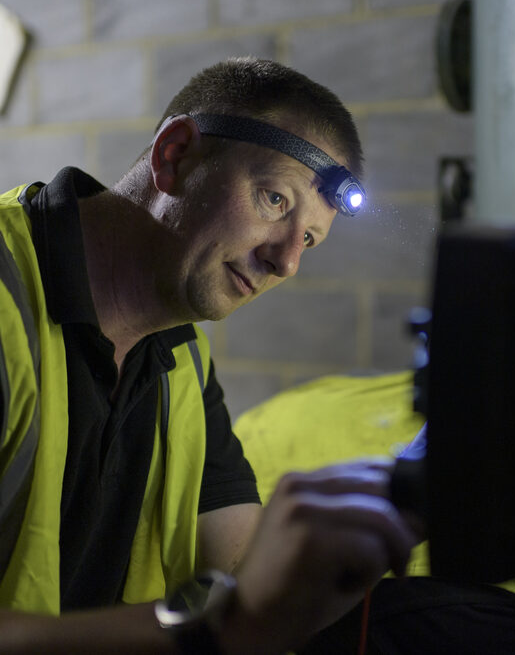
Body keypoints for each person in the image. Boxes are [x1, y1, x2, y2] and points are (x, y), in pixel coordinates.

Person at [0, 56, 417, 654]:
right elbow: (235, 615)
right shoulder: (6, 295)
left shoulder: (182, 361)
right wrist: (216, 629)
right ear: (175, 156)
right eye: (274, 199)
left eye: (308, 239)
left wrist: (414, 489)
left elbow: (245, 571)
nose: (286, 261)